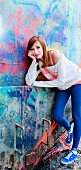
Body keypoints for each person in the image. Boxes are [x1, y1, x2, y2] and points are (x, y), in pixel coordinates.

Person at [25, 36, 81, 165]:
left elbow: (60, 80)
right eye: (32, 49)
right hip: (63, 86)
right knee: (57, 115)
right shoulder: (39, 63)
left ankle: (73, 151)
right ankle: (69, 129)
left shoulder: (55, 56)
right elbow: (29, 82)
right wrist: (33, 61)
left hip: (77, 81)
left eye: (38, 47)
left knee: (77, 116)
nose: (36, 51)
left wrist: (39, 83)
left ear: (43, 47)